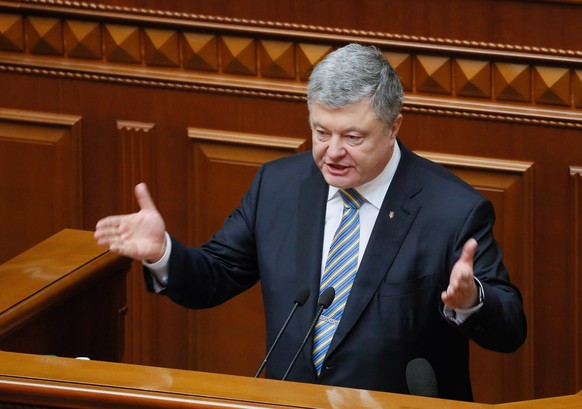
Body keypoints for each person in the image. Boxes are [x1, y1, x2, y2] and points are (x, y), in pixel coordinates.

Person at [95, 43, 526, 401]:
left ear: (394, 127)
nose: (332, 152)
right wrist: (163, 253)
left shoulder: (452, 209)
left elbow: (511, 330)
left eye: (352, 137)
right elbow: (216, 275)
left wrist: (472, 300)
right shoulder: (277, 186)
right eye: (321, 132)